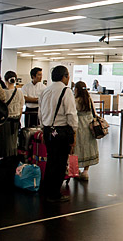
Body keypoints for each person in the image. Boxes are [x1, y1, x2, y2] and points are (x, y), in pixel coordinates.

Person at [38, 66, 77, 203]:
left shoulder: (45, 91)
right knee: (60, 163)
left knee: (51, 161)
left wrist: (44, 128)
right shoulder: (66, 91)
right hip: (61, 131)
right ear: (64, 76)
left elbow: (40, 113)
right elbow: (71, 114)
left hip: (48, 130)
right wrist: (74, 132)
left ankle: (46, 189)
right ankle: (55, 193)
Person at [0, 71, 25, 159]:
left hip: (4, 120)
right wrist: (18, 119)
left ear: (5, 80)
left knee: (3, 140)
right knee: (13, 140)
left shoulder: (2, 92)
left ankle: (1, 157)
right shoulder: (19, 92)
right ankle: (12, 157)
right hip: (15, 120)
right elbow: (21, 107)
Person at [73, 81, 99, 181]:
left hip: (79, 125)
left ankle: (76, 170)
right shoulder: (88, 99)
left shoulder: (76, 100)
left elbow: (73, 113)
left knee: (77, 147)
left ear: (76, 90)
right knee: (88, 147)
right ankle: (85, 171)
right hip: (89, 125)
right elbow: (94, 112)